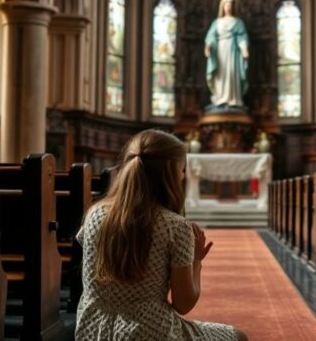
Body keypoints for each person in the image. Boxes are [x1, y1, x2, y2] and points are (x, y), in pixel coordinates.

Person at [75, 129, 248, 341]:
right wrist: (196, 260)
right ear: (169, 173)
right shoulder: (175, 226)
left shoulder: (95, 213)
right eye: (181, 170)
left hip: (92, 330)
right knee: (239, 336)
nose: (183, 175)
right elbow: (183, 304)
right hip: (149, 331)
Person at [204, 0, 249, 108]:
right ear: (222, 6)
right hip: (219, 50)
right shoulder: (217, 22)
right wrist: (208, 46)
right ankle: (220, 98)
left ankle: (233, 99)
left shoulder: (238, 22)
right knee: (220, 74)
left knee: (232, 72)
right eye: (226, 4)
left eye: (230, 5)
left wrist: (244, 49)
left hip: (233, 51)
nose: (228, 7)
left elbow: (242, 36)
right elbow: (211, 36)